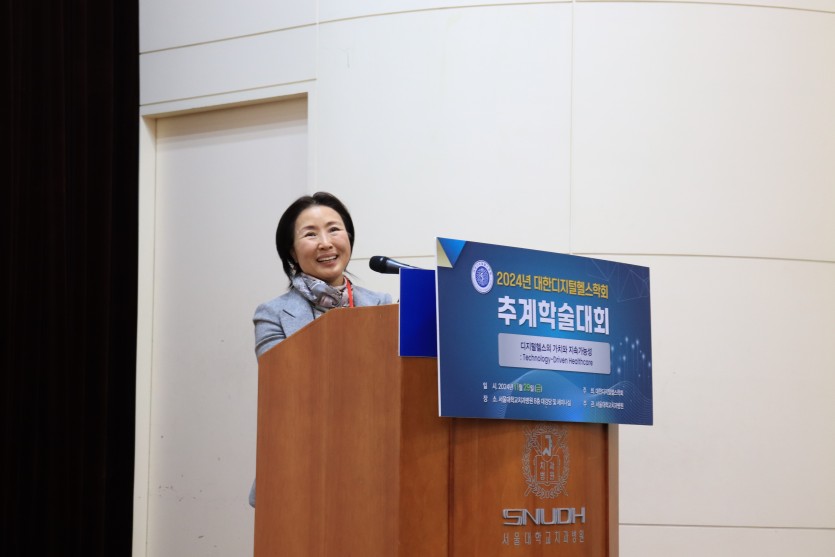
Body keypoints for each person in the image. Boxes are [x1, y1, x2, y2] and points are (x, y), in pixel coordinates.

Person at [249, 191, 392, 506]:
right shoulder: (272, 314)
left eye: (334, 229)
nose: (325, 243)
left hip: (373, 468)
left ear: (348, 238)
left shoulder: (383, 305)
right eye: (310, 234)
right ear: (292, 250)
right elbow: (286, 385)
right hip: (299, 470)